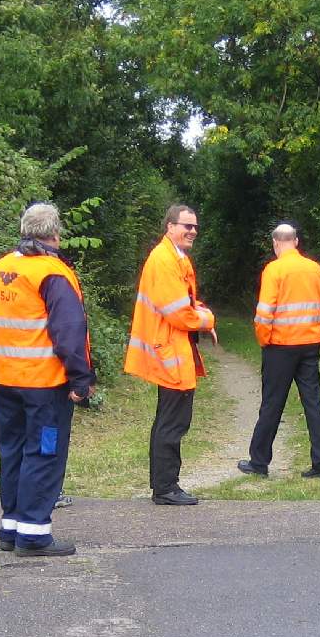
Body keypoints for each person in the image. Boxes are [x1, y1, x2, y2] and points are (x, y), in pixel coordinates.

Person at [0, 202, 94, 556]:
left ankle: (10, 528)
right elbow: (70, 331)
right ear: (55, 233)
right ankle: (32, 535)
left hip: (5, 380)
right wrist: (81, 379)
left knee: (12, 451)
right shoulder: (52, 273)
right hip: (44, 385)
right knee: (43, 453)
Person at [125, 204, 218, 505]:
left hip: (173, 350)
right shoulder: (164, 261)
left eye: (194, 227)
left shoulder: (175, 259)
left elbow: (186, 302)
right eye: (185, 226)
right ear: (169, 227)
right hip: (169, 353)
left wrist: (199, 311)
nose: (191, 231)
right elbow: (179, 314)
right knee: (172, 421)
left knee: (171, 419)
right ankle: (165, 488)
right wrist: (207, 319)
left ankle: (165, 485)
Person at [237, 221, 320, 479]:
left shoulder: (274, 270)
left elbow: (264, 312)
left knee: (272, 404)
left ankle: (259, 462)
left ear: (275, 243)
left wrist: (264, 339)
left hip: (279, 347)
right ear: (295, 241)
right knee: (313, 404)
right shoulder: (315, 269)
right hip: (310, 345)